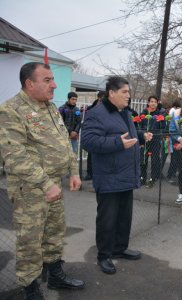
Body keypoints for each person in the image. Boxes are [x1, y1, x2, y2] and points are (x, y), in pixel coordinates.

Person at [0, 62, 85, 299]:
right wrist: (46, 184)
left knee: (55, 232)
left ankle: (55, 273)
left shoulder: (49, 108)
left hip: (53, 183)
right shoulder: (11, 110)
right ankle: (30, 288)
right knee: (30, 241)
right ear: (29, 83)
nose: (54, 84)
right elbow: (14, 156)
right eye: (47, 80)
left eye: (52, 79)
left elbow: (64, 142)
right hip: (30, 188)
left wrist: (74, 171)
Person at [81, 76, 153, 274]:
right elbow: (89, 141)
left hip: (127, 174)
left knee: (124, 216)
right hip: (109, 176)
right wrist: (117, 143)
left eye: (128, 92)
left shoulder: (125, 113)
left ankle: (120, 249)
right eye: (124, 92)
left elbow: (125, 134)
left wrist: (139, 136)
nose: (128, 96)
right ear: (111, 93)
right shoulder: (96, 113)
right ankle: (104, 255)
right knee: (107, 219)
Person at [139, 95, 166, 185]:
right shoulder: (143, 113)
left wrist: (159, 134)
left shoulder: (160, 114)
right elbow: (139, 127)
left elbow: (163, 128)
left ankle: (152, 178)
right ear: (148, 103)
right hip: (144, 140)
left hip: (155, 140)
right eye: (151, 101)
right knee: (143, 159)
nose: (153, 103)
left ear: (157, 103)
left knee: (155, 160)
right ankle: (142, 177)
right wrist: (143, 136)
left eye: (155, 102)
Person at [84, 91, 105, 181]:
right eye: (104, 97)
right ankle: (90, 173)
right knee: (91, 155)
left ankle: (99, 174)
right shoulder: (90, 109)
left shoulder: (107, 109)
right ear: (99, 98)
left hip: (103, 134)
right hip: (92, 134)